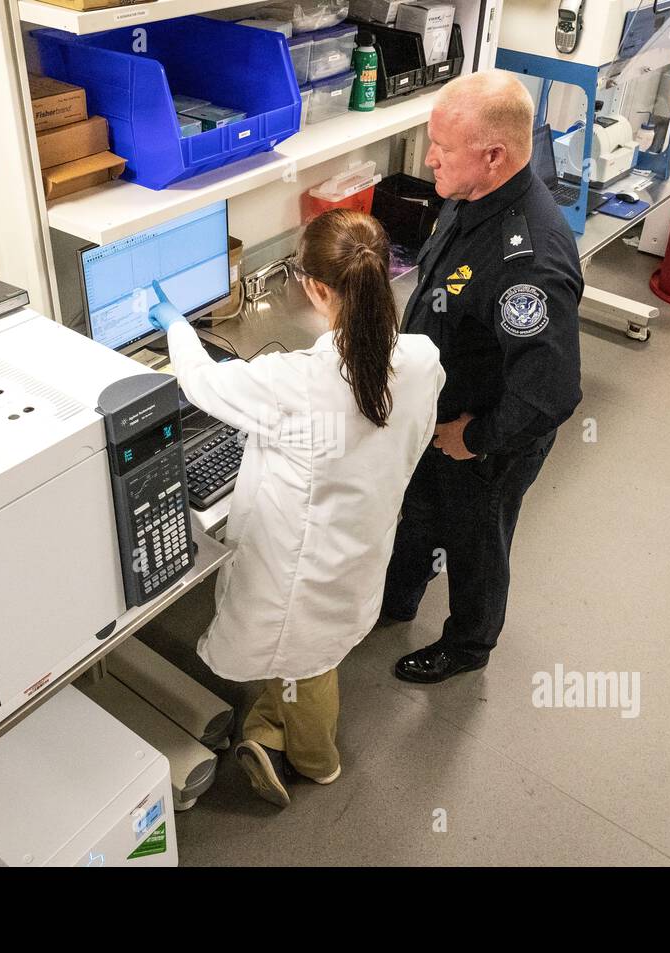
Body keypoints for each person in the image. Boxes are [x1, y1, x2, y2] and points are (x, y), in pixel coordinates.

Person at [148, 210, 444, 807]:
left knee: (309, 662)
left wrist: (176, 326)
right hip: (361, 542)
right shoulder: (421, 359)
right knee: (309, 650)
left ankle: (317, 760)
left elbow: (202, 384)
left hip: (301, 564)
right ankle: (267, 729)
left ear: (314, 288)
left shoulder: (296, 381)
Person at [380, 71, 583, 684]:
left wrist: (474, 439)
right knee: (419, 511)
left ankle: (469, 644)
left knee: (477, 539)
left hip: (488, 438)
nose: (429, 157)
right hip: (438, 418)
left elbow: (549, 393)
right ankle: (396, 599)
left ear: (494, 155)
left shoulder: (528, 262)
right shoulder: (469, 194)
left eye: (443, 146)